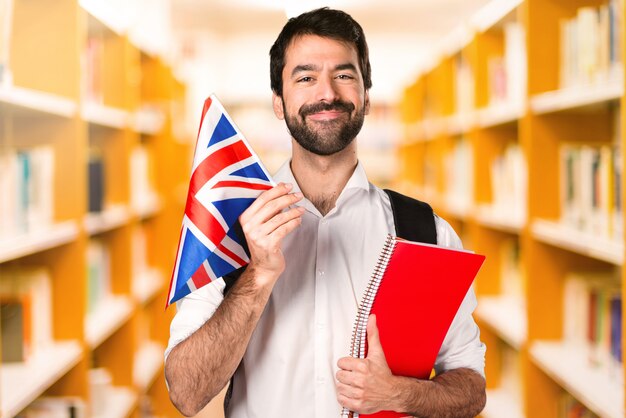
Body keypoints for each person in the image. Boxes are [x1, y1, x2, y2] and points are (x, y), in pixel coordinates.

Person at [164, 7, 486, 418]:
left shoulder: (426, 233)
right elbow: (186, 393)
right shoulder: (229, 231)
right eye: (305, 77)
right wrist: (257, 276)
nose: (327, 93)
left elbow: (471, 388)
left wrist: (399, 395)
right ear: (279, 103)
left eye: (344, 75)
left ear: (366, 97)